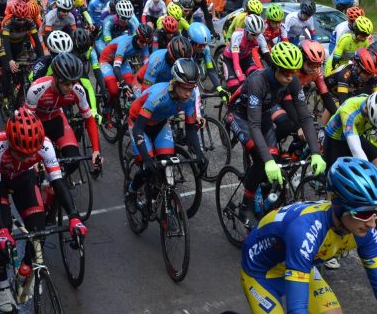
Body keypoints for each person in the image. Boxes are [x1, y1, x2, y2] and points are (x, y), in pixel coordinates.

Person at [240, 157, 377, 314]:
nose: (372, 223)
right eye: (363, 214)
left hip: (301, 266)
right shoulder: (306, 232)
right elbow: (297, 311)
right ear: (338, 206)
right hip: (262, 273)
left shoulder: (363, 231)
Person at [0, 108, 87, 314]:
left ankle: (25, 269)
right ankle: (1, 281)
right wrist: (2, 230)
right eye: (20, 152)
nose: (24, 157)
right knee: (1, 229)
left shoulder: (45, 145)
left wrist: (74, 216)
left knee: (38, 228)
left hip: (23, 179)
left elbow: (58, 182)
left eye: (30, 153)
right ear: (10, 143)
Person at [225, 42, 326, 227]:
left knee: (276, 160)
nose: (289, 77)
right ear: (275, 67)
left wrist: (316, 153)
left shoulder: (293, 80)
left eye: (293, 72)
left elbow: (304, 116)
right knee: (262, 159)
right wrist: (267, 161)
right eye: (285, 73)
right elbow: (253, 125)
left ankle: (262, 191)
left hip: (262, 112)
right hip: (240, 115)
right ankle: (245, 206)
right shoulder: (258, 81)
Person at [124, 59, 208, 209]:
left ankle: (162, 198)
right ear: (175, 83)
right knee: (146, 168)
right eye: (184, 88)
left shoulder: (190, 98)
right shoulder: (159, 96)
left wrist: (200, 155)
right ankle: (132, 190)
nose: (188, 93)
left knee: (167, 160)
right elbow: (138, 129)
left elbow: (190, 128)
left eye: (192, 88)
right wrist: (147, 158)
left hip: (159, 123)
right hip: (138, 123)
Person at [23, 52, 103, 174]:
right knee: (36, 168)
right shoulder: (37, 89)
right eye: (66, 83)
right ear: (55, 78)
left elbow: (89, 119)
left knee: (74, 161)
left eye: (74, 81)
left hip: (57, 120)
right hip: (36, 124)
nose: (71, 87)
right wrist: (31, 157)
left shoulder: (78, 90)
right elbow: (26, 123)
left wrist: (96, 151)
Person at [222, 14, 271, 91]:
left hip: (245, 58)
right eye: (253, 34)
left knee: (256, 78)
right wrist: (242, 80)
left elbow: (267, 56)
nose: (255, 37)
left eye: (258, 34)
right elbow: (236, 62)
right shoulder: (237, 35)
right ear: (247, 30)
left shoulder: (259, 36)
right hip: (230, 59)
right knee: (235, 86)